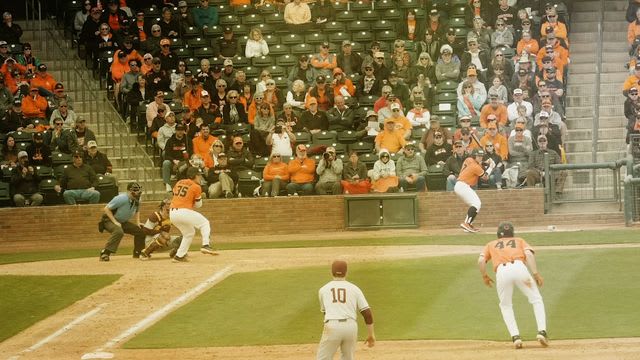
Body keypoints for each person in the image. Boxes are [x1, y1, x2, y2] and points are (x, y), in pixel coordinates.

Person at [477, 222, 548, 349]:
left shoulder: (491, 244)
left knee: (506, 305)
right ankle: (542, 332)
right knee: (536, 300)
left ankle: (516, 337)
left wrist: (484, 276)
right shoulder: (519, 240)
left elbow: (481, 260)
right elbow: (529, 254)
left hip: (502, 272)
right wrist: (536, 274)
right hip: (520, 269)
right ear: (512, 233)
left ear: (498, 233)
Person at [317, 260, 375, 360]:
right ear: (346, 272)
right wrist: (371, 334)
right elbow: (367, 313)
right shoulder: (355, 289)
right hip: (351, 327)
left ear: (331, 272)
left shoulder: (323, 289)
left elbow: (325, 313)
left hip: (332, 326)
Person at [170, 167, 217, 262]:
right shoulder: (196, 186)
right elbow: (198, 205)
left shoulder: (179, 182)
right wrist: (200, 198)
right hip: (183, 211)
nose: (200, 178)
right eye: (198, 175)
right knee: (204, 223)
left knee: (189, 233)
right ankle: (206, 245)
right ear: (193, 176)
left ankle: (179, 256)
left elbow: (175, 195)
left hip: (172, 213)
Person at [98, 182, 145, 261]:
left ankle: (138, 252)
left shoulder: (137, 199)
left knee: (140, 231)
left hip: (122, 221)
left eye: (138, 191)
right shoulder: (121, 198)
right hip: (108, 220)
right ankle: (105, 253)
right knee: (118, 231)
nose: (137, 193)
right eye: (135, 191)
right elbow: (106, 209)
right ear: (129, 191)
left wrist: (138, 222)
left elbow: (137, 210)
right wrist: (115, 222)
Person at [455, 148, 495, 233]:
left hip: (461, 185)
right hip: (463, 185)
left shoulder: (468, 159)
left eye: (481, 156)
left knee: (476, 204)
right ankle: (466, 223)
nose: (480, 158)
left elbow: (478, 163)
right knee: (476, 203)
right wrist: (491, 167)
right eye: (478, 156)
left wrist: (486, 162)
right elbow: (485, 177)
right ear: (474, 156)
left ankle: (468, 224)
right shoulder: (475, 167)